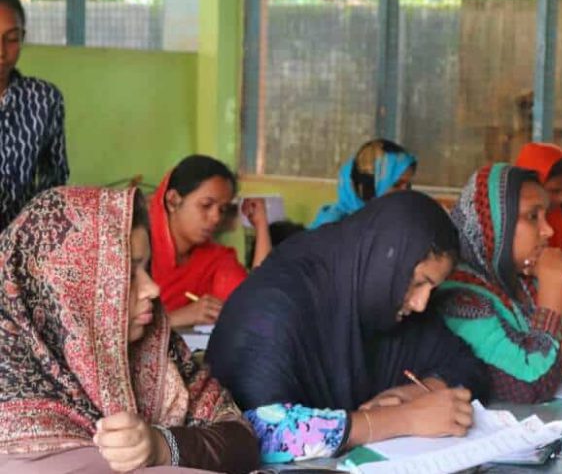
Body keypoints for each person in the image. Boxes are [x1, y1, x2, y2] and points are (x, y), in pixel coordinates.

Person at [205, 191, 487, 464]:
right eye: (419, 282)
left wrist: (415, 393)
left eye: (431, 288)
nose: (421, 303)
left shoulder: (384, 303)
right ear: (383, 260)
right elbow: (255, 430)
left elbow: (465, 364)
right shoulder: (277, 300)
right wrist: (404, 419)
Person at [0, 187, 257, 473]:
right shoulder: (14, 413)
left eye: (147, 268)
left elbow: (241, 441)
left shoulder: (156, 350)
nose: (152, 288)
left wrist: (161, 445)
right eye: (128, 273)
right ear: (65, 289)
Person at [434, 164, 562, 404]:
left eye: (547, 216)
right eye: (533, 217)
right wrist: (553, 283)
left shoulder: (525, 283)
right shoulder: (458, 297)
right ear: (495, 223)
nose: (548, 230)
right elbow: (533, 384)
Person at [150, 154, 272, 328]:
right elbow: (111, 330)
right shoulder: (137, 250)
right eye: (206, 205)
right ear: (173, 200)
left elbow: (256, 302)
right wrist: (176, 318)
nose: (216, 218)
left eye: (222, 209)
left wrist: (261, 226)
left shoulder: (214, 259)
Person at [0, 0, 68, 232]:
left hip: (22, 241)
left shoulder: (44, 99)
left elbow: (55, 178)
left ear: (22, 38)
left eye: (11, 39)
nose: (1, 52)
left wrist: (31, 232)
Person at [310, 139, 417, 228]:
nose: (407, 192)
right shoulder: (331, 229)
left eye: (408, 185)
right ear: (369, 187)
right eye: (397, 185)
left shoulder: (390, 221)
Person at [513, 142, 562, 253]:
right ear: (530, 185)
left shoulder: (558, 211)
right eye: (554, 191)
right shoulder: (509, 221)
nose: (560, 198)